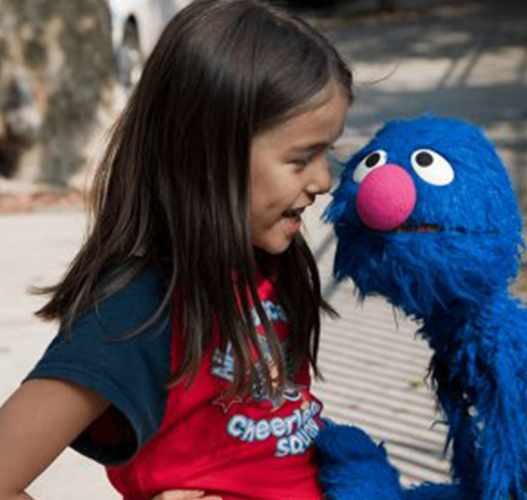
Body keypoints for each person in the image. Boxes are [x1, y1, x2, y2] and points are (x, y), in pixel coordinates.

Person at [0, 1, 352, 499]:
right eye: (301, 159)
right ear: (208, 158)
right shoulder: (137, 309)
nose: (322, 180)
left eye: (328, 151)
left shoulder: (263, 258)